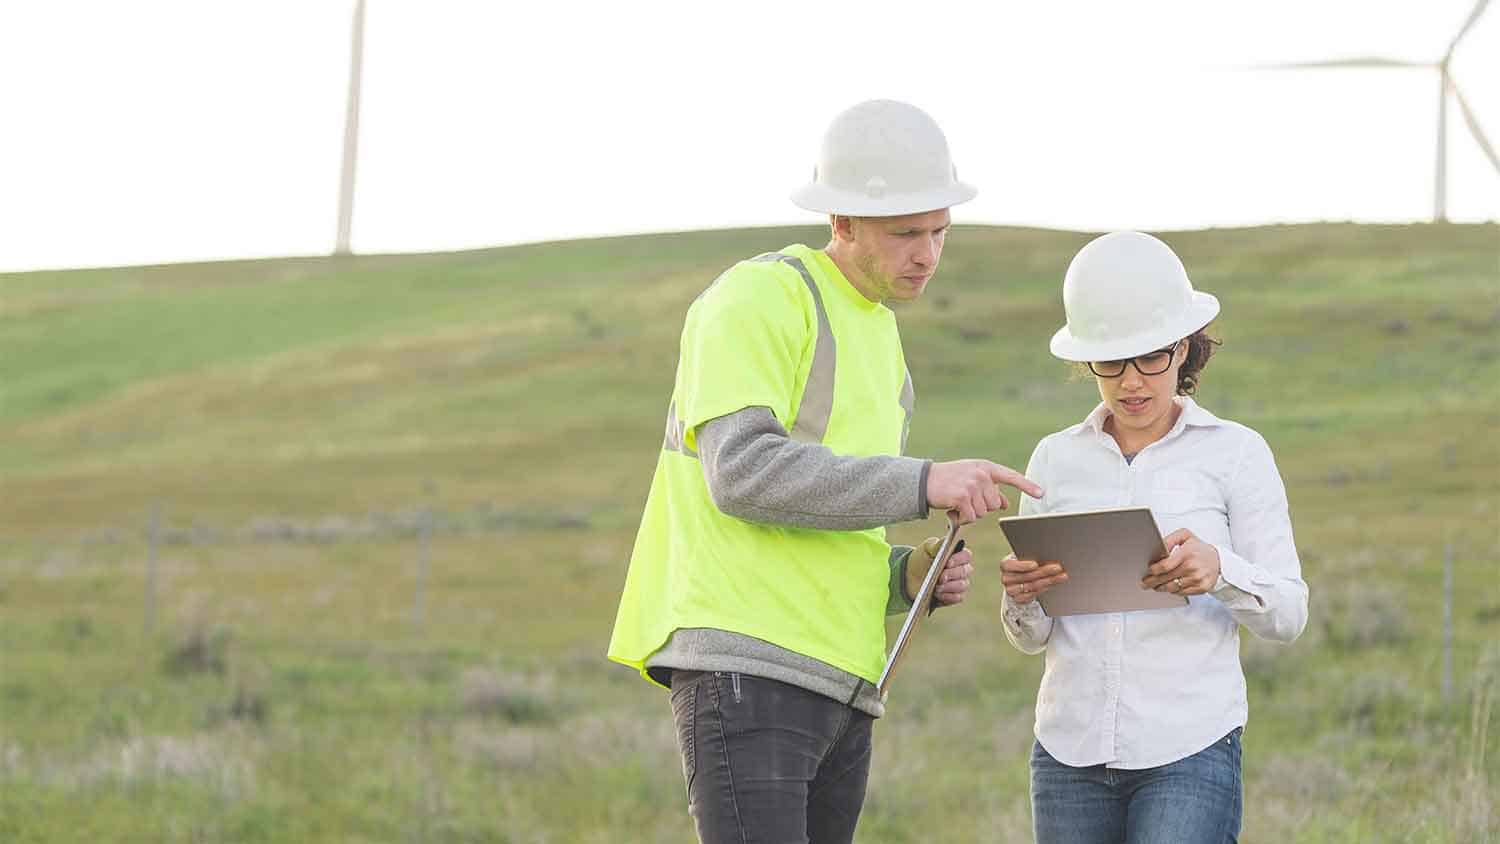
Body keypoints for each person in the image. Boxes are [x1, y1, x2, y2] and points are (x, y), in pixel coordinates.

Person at [607, 99, 1043, 844]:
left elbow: (831, 519)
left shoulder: (883, 345)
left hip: (844, 686)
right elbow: (740, 471)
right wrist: (921, 481)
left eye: (940, 232)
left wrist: (906, 577)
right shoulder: (761, 296)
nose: (927, 255)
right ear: (840, 220)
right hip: (746, 667)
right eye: (906, 233)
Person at [998, 231, 1309, 844]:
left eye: (1151, 358)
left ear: (1186, 348)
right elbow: (1032, 639)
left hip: (1188, 751)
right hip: (1068, 753)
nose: (1131, 381)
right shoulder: (1054, 458)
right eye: (1110, 362)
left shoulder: (1236, 453)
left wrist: (1217, 571)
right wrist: (1021, 597)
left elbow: (1290, 613)